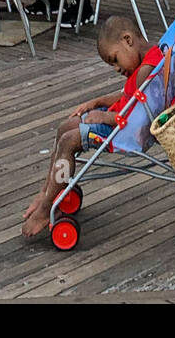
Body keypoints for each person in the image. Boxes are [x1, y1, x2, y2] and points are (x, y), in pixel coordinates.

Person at [21, 15, 165, 238]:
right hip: (121, 120)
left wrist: (103, 117)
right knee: (64, 128)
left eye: (115, 59)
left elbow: (134, 115)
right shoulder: (152, 57)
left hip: (125, 130)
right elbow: (128, 97)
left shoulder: (146, 71)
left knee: (68, 141)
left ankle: (46, 206)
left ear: (127, 40)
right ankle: (48, 192)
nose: (117, 68)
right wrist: (97, 102)